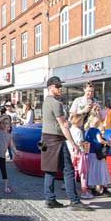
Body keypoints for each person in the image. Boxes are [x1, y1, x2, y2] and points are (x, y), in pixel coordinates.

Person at [41, 76, 93, 211]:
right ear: (50, 87)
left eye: (60, 86)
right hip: (56, 140)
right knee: (68, 170)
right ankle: (74, 201)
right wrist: (73, 144)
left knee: (50, 170)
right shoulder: (56, 103)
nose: (60, 89)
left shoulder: (46, 101)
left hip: (46, 138)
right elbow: (63, 125)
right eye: (57, 86)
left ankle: (50, 199)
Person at [84, 115, 111, 197]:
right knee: (102, 170)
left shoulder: (87, 131)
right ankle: (104, 188)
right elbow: (100, 141)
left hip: (90, 153)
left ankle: (93, 189)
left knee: (92, 171)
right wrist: (107, 142)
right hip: (98, 154)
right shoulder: (96, 131)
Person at [68, 113, 92, 200]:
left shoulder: (70, 130)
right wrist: (85, 144)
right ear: (79, 121)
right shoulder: (78, 131)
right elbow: (79, 143)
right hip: (79, 153)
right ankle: (84, 191)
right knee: (83, 173)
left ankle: (72, 190)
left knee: (73, 172)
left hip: (71, 153)